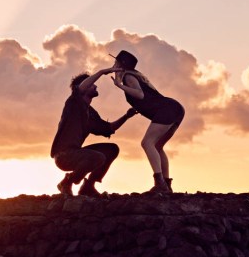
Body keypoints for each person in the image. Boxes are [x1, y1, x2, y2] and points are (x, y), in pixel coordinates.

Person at [51, 67, 137, 197]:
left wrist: (126, 116)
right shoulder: (73, 103)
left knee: (111, 149)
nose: (95, 86)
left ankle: (88, 186)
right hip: (63, 156)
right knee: (97, 157)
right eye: (91, 84)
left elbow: (109, 128)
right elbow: (79, 89)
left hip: (77, 153)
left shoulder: (90, 113)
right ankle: (67, 182)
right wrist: (102, 72)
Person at [111, 49, 185, 194]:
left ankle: (160, 184)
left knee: (147, 143)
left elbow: (140, 94)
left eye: (116, 61)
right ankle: (166, 185)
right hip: (175, 108)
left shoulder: (128, 77)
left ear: (121, 65)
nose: (113, 63)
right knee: (157, 146)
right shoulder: (134, 75)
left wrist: (119, 85)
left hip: (168, 109)